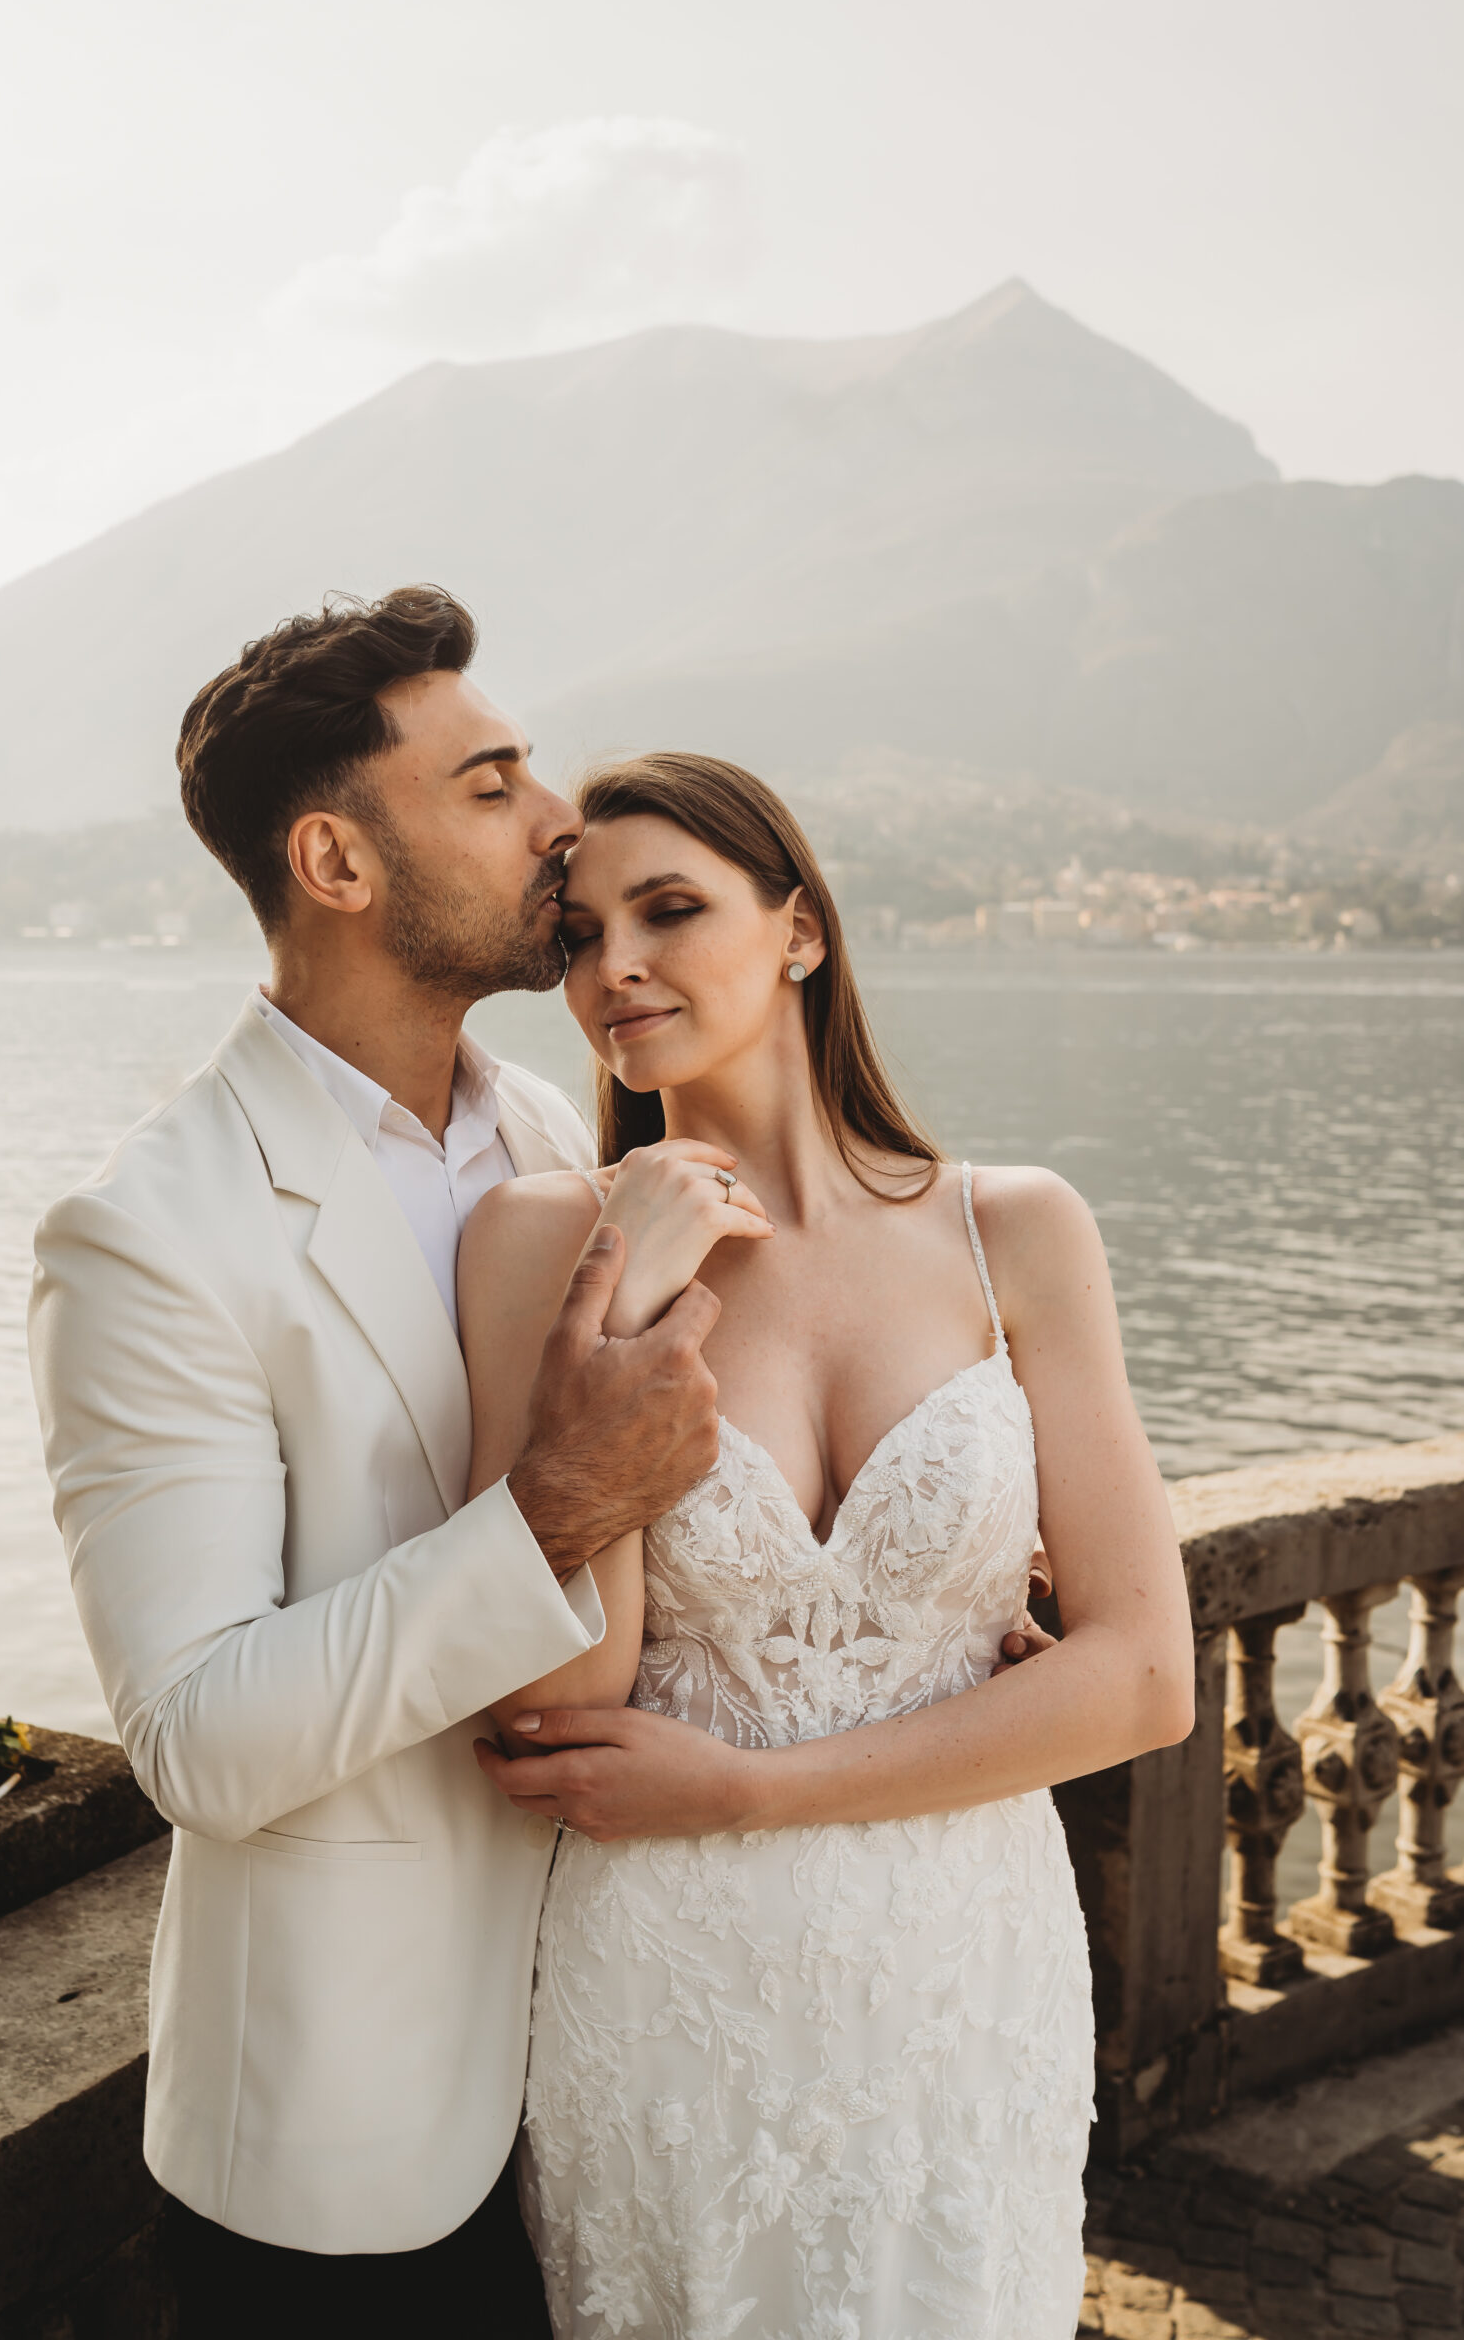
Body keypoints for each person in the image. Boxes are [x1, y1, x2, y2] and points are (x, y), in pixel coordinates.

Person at [27, 589, 725, 2331]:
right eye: (491, 785)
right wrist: (552, 1506)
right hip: (340, 2150)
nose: (559, 816)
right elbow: (197, 1737)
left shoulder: (556, 1130)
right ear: (336, 861)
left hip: (607, 2066)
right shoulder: (146, 1233)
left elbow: (658, 1502)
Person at [459, 752, 1196, 2339]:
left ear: (799, 931)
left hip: (963, 1974)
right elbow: (550, 1704)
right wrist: (628, 1298)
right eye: (580, 937)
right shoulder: (538, 1243)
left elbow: (1143, 1679)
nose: (620, 967)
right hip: (673, 1990)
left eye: (671, 910)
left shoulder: (1020, 1232)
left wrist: (748, 1788)